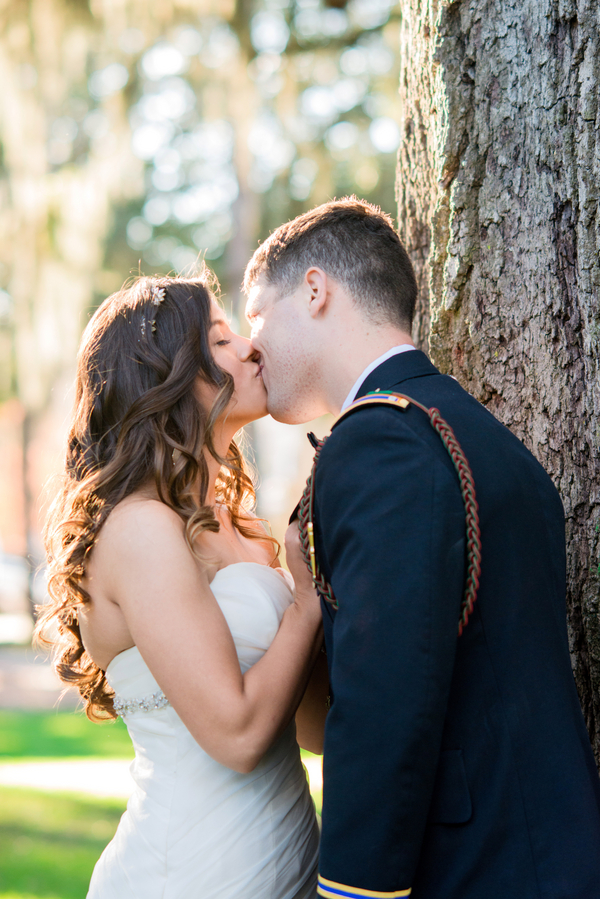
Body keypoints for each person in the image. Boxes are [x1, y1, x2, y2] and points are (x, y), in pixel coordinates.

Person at [244, 197, 600, 899]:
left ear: (315, 289)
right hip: (546, 850)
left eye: (256, 315)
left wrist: (350, 890)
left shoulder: (379, 443)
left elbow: (382, 704)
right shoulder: (484, 440)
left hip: (479, 869)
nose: (251, 346)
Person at [35, 273, 328, 899]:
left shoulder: (243, 528)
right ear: (166, 377)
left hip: (291, 863)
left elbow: (309, 731)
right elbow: (241, 736)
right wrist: (304, 605)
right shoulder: (139, 528)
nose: (251, 348)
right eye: (221, 341)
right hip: (192, 874)